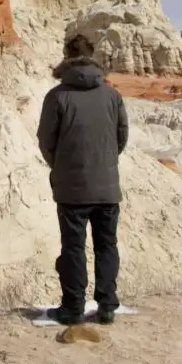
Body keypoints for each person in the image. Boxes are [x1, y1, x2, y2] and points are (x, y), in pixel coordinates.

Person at [36, 35, 129, 325]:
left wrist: (61, 166)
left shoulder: (57, 96)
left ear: (66, 56)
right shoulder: (112, 95)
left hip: (72, 189)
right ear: (93, 56)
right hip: (107, 187)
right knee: (107, 246)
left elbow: (45, 140)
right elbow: (121, 136)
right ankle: (107, 307)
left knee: (73, 248)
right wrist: (106, 161)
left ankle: (73, 308)